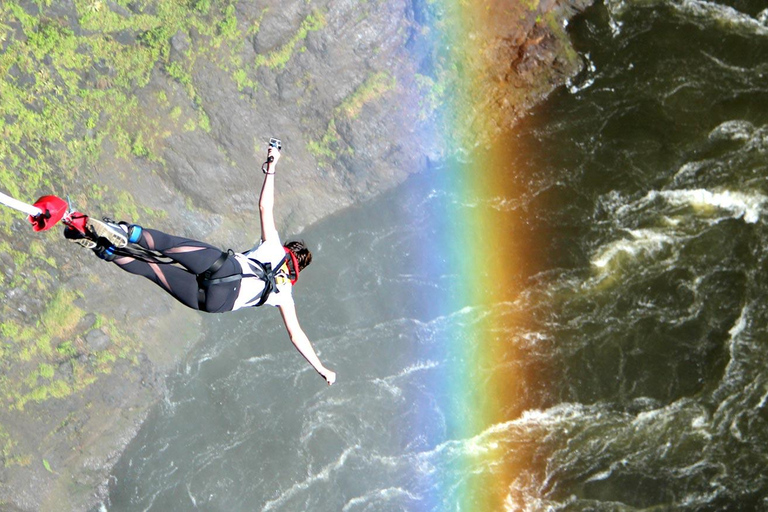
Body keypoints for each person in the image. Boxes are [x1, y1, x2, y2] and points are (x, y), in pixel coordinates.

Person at [64, 145, 336, 385]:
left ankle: (123, 232)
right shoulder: (285, 295)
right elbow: (296, 335)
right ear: (297, 272)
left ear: (290, 250)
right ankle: (102, 248)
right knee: (153, 269)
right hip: (213, 303)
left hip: (226, 268)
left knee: (167, 246)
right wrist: (321, 369)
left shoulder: (275, 247)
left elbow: (265, 206)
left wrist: (272, 166)